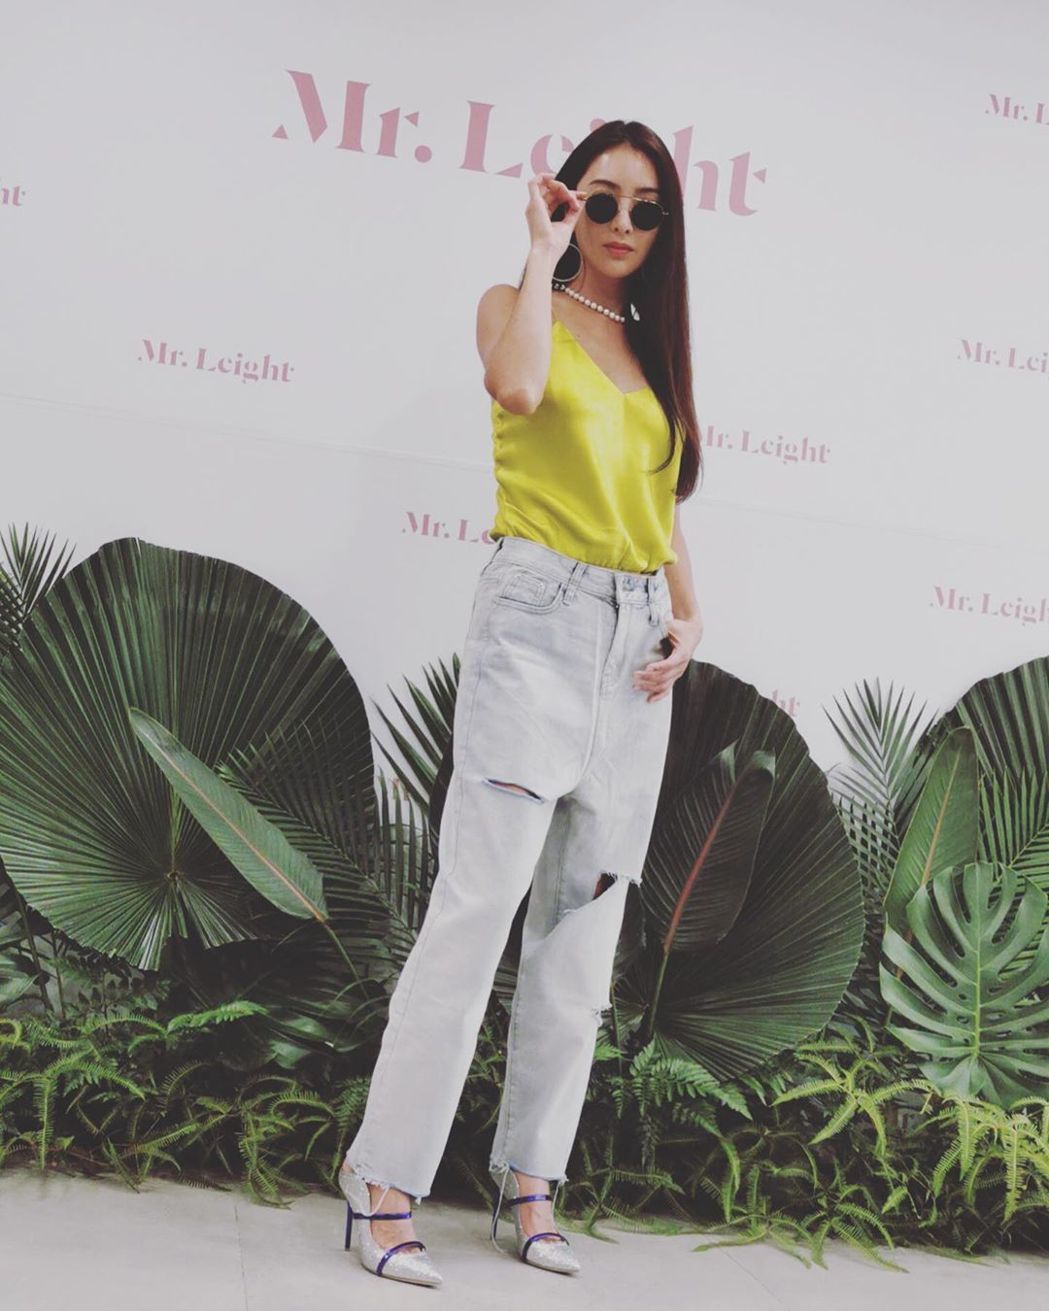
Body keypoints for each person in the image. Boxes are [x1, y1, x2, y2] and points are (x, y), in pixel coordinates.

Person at [339, 119, 704, 1287]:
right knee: (474, 914)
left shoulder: (654, 345)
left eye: (645, 208)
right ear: (564, 201)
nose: (622, 224)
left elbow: (659, 503)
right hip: (535, 629)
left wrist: (689, 614)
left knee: (580, 943)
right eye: (601, 199)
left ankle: (528, 1180)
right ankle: (382, 1183)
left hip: (633, 654)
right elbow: (517, 385)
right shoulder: (515, 303)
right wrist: (543, 253)